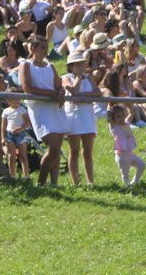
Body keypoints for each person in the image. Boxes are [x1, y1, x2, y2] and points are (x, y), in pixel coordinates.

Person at [19, 36, 68, 186]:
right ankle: (41, 182)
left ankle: (54, 183)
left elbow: (58, 85)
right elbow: (27, 88)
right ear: (32, 49)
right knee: (53, 147)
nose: (45, 51)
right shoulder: (26, 65)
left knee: (57, 148)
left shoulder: (50, 66)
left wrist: (60, 92)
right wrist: (51, 94)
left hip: (55, 109)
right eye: (42, 47)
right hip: (40, 109)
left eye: (46, 48)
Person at [62, 50, 98, 186]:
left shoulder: (88, 77)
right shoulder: (66, 77)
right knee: (74, 150)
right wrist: (78, 77)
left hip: (87, 115)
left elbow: (98, 92)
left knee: (88, 151)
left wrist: (84, 97)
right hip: (73, 115)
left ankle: (90, 181)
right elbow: (73, 90)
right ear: (71, 66)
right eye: (77, 65)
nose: (81, 67)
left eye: (81, 64)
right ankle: (76, 182)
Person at [0, 87, 31, 178]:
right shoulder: (6, 111)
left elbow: (28, 122)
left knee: (23, 156)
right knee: (11, 156)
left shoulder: (22, 109)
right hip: (10, 135)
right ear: (8, 100)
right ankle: (12, 175)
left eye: (18, 98)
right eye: (15, 98)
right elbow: (3, 125)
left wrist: (20, 128)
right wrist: (3, 137)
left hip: (20, 135)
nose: (18, 100)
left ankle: (26, 175)